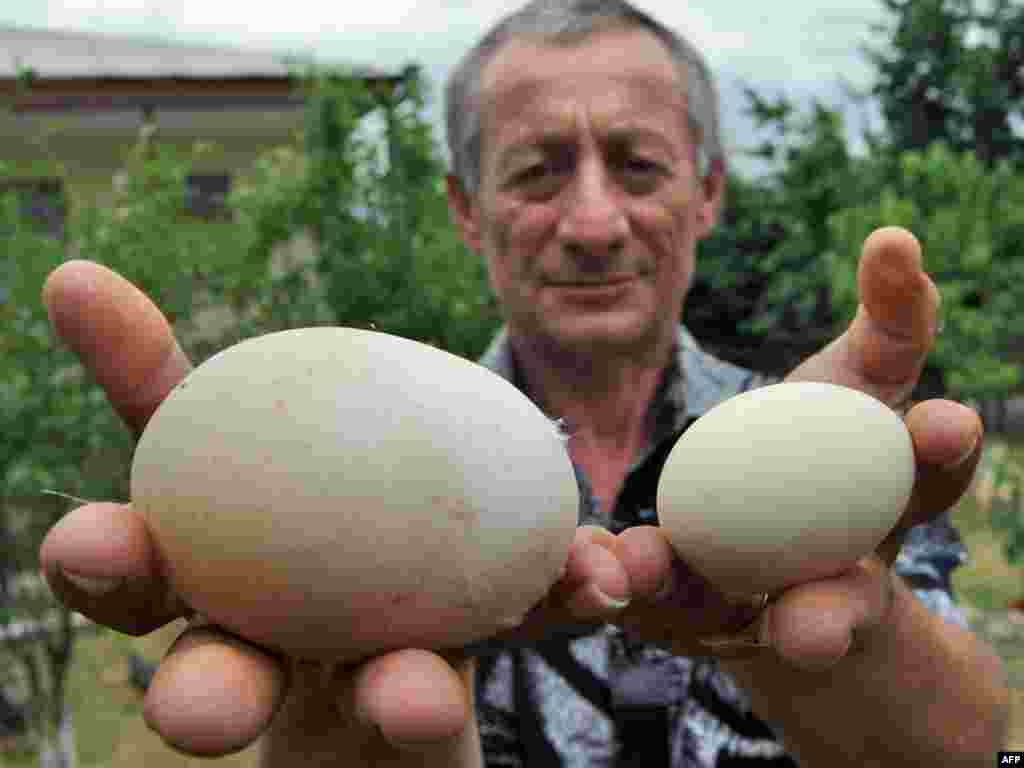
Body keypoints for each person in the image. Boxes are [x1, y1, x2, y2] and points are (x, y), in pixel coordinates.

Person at [38, 0, 1008, 765]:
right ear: (465, 209)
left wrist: (853, 643)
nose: (592, 223)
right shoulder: (382, 452)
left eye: (637, 166)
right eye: (538, 172)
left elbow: (983, 754)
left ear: (707, 191)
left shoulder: (815, 441)